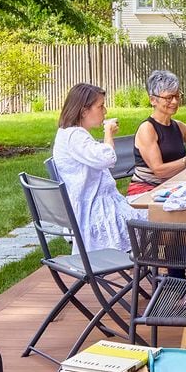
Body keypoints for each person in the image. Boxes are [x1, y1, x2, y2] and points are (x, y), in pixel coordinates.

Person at [51, 83, 147, 253]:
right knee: (163, 224)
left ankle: (154, 273)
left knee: (156, 214)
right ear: (84, 110)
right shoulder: (74, 136)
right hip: (96, 215)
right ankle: (167, 274)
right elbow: (107, 158)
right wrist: (108, 133)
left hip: (101, 206)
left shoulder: (70, 133)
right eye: (101, 106)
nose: (105, 111)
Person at [127, 70, 186, 196]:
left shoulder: (178, 126)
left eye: (177, 96)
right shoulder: (147, 129)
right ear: (152, 100)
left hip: (174, 187)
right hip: (146, 191)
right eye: (168, 97)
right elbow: (159, 170)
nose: (175, 102)